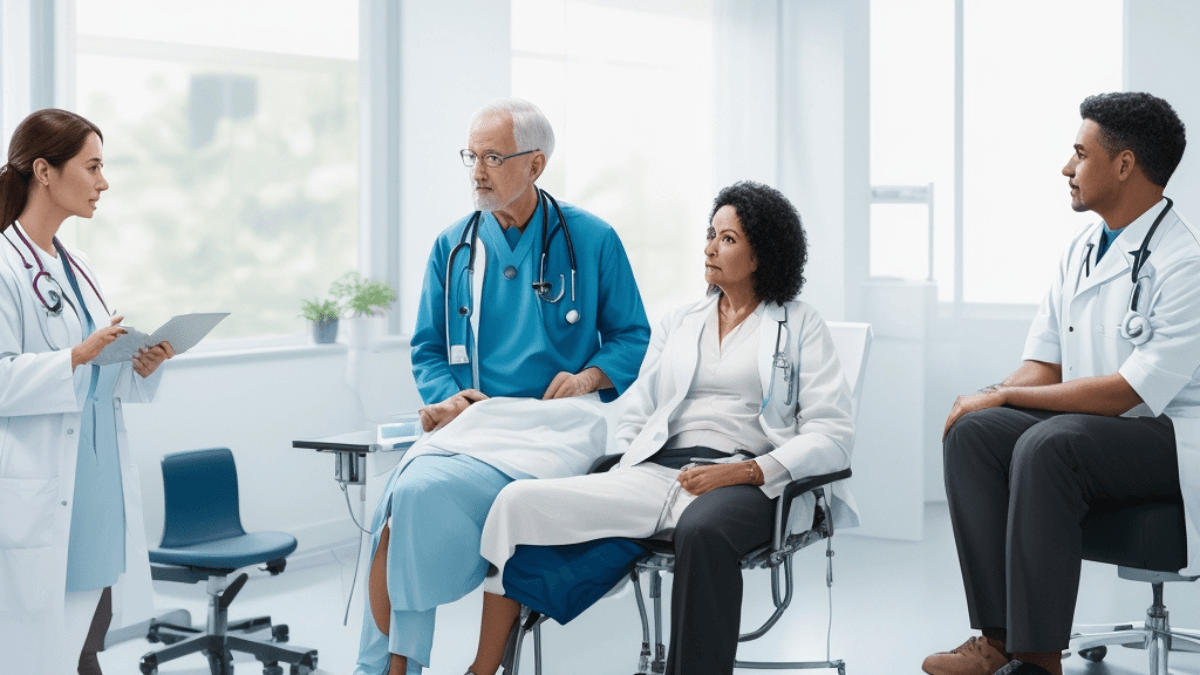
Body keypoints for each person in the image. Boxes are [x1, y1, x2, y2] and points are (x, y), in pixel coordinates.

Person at [466, 181, 858, 675]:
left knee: (703, 530)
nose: (710, 248)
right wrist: (623, 464)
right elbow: (638, 411)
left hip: (750, 481)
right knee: (517, 501)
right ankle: (485, 667)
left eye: (728, 239)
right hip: (661, 474)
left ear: (761, 255)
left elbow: (832, 435)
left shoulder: (799, 325)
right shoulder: (679, 321)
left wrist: (747, 472)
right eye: (710, 234)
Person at [354, 97, 650, 675]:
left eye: (493, 156)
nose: (477, 171)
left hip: (554, 429)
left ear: (535, 165)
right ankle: (393, 667)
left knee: (455, 505)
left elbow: (632, 335)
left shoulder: (591, 240)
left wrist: (591, 374)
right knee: (402, 502)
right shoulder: (453, 247)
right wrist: (447, 397)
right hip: (475, 425)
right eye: (471, 155)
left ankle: (442, 667)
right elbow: (428, 348)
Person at [924, 92, 1199, 675]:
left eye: (1079, 153)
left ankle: (1038, 659)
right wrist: (989, 397)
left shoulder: (1185, 262)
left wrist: (1004, 394)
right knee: (974, 433)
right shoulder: (1080, 250)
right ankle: (996, 640)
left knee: (1049, 444)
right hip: (1101, 434)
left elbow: (1129, 392)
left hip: (1167, 439)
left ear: (1124, 165)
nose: (1066, 168)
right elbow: (1042, 365)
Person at [0, 109, 175, 675]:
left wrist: (137, 364)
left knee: (84, 643)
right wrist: (76, 354)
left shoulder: (81, 268)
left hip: (95, 487)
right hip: (42, 490)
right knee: (42, 651)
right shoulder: (4, 265)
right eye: (93, 166)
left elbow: (97, 378)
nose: (104, 182)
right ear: (45, 171)